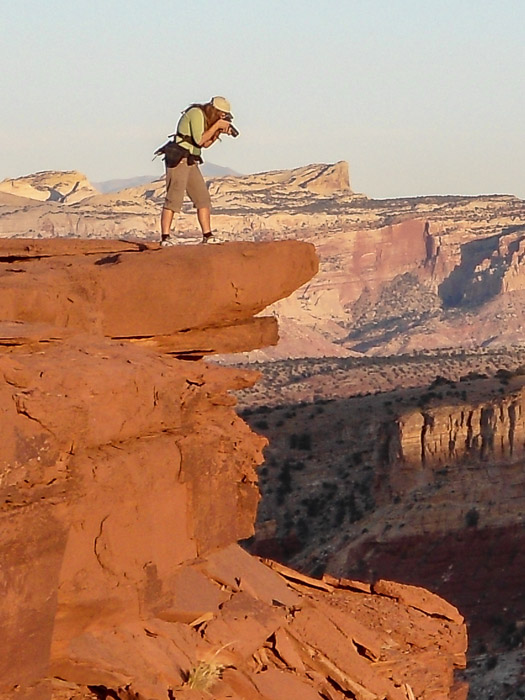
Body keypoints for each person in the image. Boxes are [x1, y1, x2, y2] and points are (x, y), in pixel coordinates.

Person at [158, 96, 236, 246]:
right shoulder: (196, 113)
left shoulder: (207, 121)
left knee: (203, 199)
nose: (222, 118)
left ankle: (207, 235)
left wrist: (218, 131)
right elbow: (199, 140)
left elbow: (205, 144)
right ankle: (165, 237)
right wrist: (216, 126)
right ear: (215, 111)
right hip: (179, 158)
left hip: (191, 160)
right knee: (174, 198)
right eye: (221, 115)